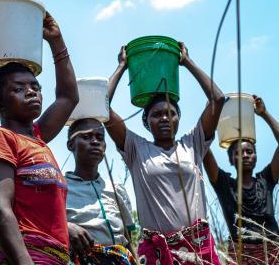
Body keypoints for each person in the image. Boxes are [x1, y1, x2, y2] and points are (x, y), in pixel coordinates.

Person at [105, 45, 225, 265]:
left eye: (171, 113)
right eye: (157, 114)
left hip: (198, 249)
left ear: (179, 119)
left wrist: (187, 62)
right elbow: (102, 107)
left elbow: (217, 99)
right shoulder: (136, 149)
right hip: (157, 253)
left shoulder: (193, 143)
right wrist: (122, 66)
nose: (164, 118)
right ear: (146, 122)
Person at [0, 12, 79, 265]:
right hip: (24, 257)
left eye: (35, 87)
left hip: (54, 257)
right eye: (18, 88)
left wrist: (56, 41)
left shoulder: (37, 137)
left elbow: (68, 98)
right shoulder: (0, 138)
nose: (31, 92)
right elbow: (2, 209)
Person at [203, 95, 279, 264]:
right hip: (240, 254)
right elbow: (202, 146)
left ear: (256, 157)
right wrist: (213, 115)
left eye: (249, 152)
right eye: (238, 152)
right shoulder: (224, 184)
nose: (245, 155)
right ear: (231, 159)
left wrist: (264, 114)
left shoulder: (266, 180)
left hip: (273, 252)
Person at [66, 118, 136, 265]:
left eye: (100, 138)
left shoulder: (116, 189)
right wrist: (66, 227)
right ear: (71, 145)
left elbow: (127, 238)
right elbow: (44, 227)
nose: (95, 142)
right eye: (86, 137)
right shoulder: (60, 188)